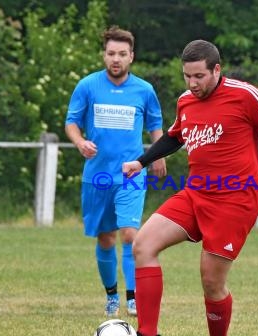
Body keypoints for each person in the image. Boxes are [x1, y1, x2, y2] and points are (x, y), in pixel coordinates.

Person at [122, 39, 258, 336]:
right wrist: (140, 162)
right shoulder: (186, 101)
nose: (192, 83)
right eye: (187, 76)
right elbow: (175, 137)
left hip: (235, 201)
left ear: (217, 69)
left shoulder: (246, 95)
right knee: (143, 245)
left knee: (211, 279)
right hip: (195, 193)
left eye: (199, 76)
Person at [65, 26, 166, 317]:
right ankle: (111, 296)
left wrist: (157, 155)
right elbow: (71, 122)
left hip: (132, 174)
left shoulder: (144, 90)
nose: (116, 59)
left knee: (131, 235)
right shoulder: (87, 86)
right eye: (111, 53)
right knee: (106, 238)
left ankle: (133, 298)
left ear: (131, 56)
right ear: (104, 55)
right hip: (97, 176)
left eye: (122, 54)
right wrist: (80, 141)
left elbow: (155, 126)